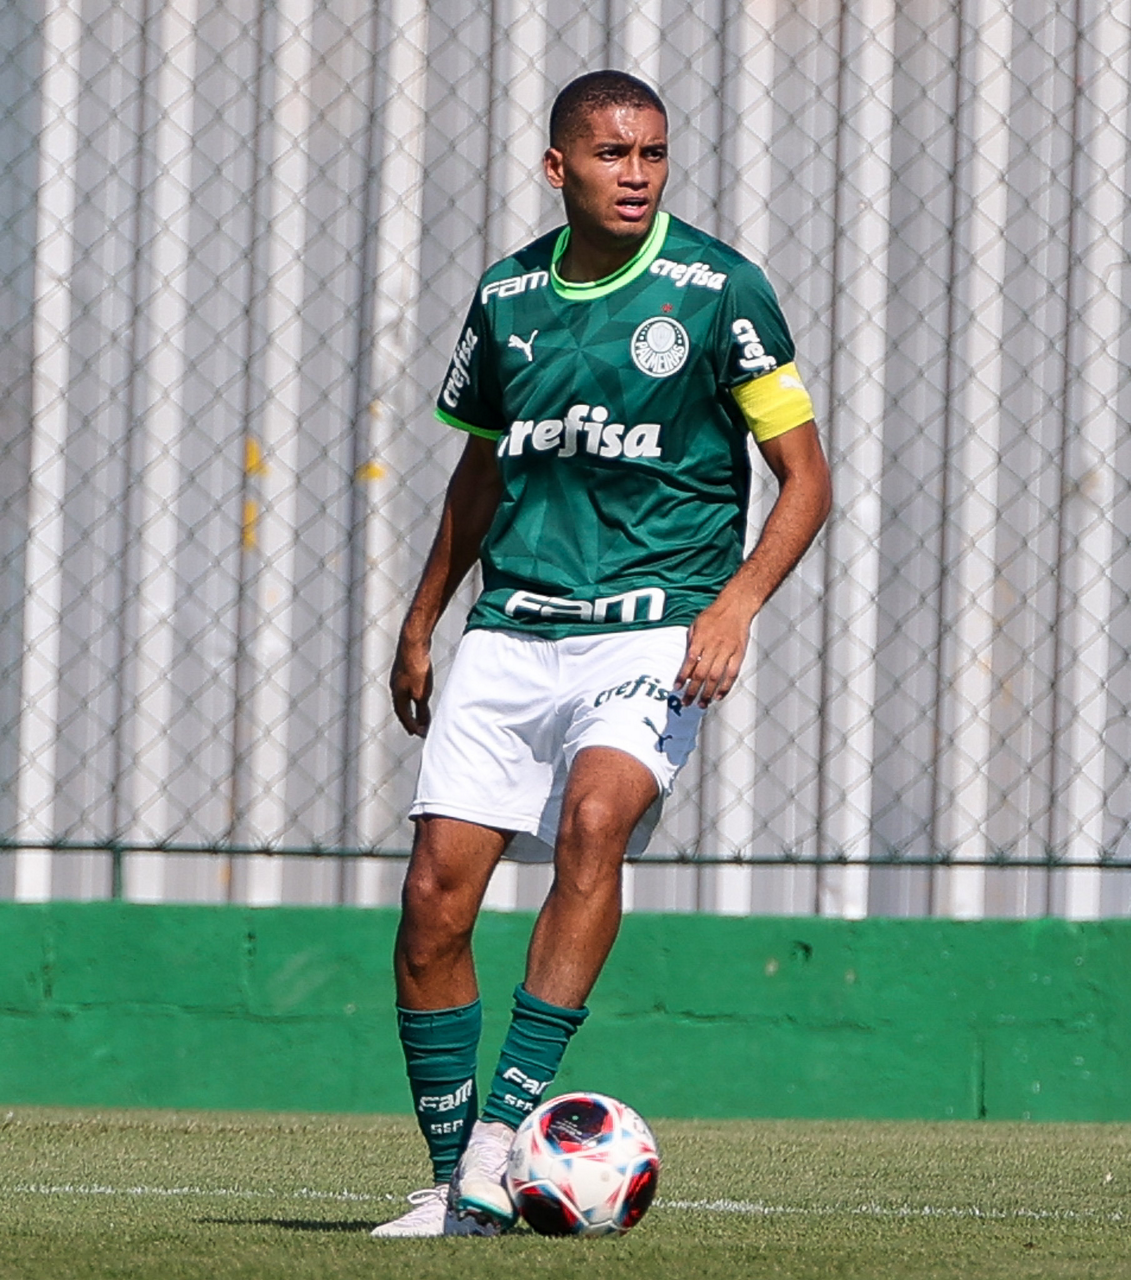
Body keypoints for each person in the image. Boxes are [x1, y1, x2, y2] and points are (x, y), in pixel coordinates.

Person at [372, 69, 831, 1238]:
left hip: (656, 625)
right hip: (513, 627)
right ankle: (457, 1190)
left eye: (653, 153)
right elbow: (480, 474)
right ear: (557, 166)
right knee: (431, 900)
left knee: (593, 820)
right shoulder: (507, 296)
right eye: (613, 154)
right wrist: (423, 620)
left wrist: (735, 605)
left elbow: (807, 479)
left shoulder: (719, 290)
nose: (637, 174)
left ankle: (501, 1141)